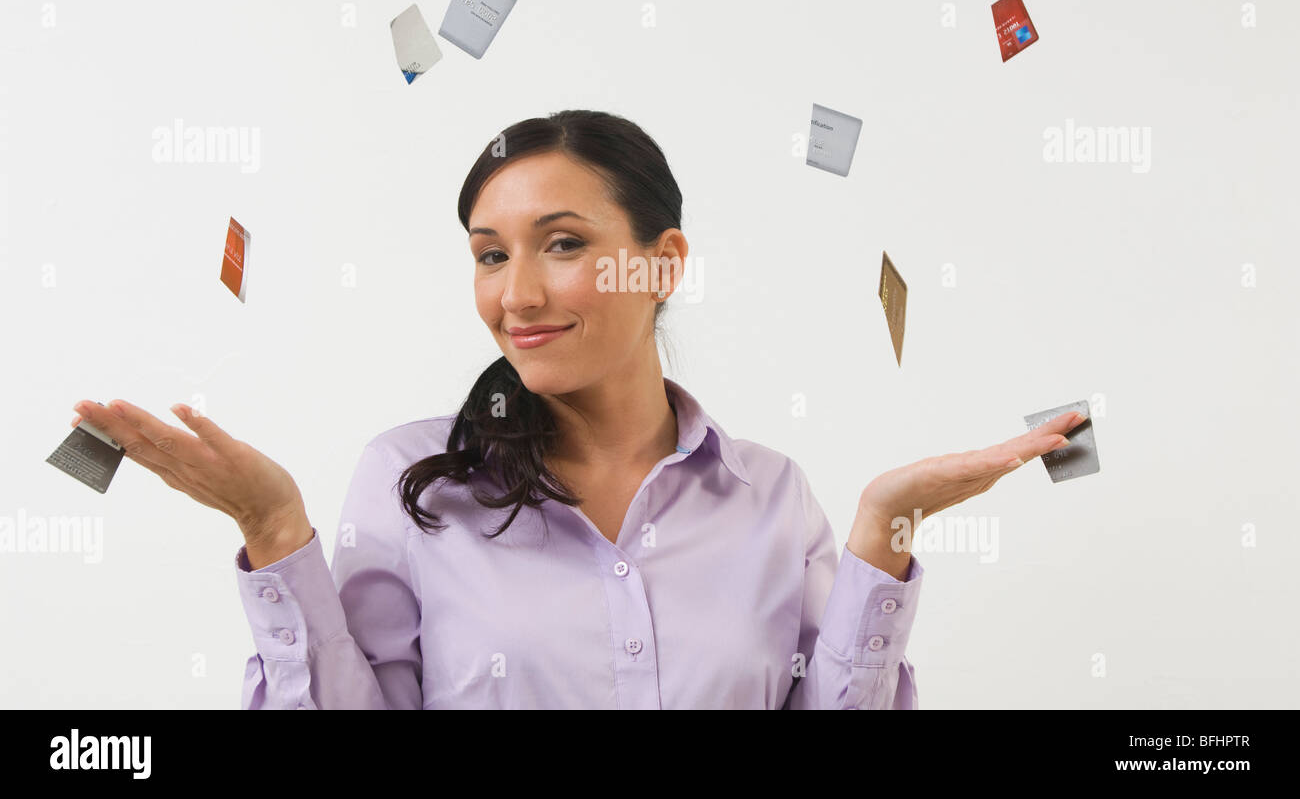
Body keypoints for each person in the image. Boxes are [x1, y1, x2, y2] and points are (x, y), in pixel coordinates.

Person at [69, 109, 1080, 709]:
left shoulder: (772, 496)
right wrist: (273, 530)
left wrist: (879, 537)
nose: (516, 293)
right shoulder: (409, 483)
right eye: (489, 252)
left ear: (663, 262)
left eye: (561, 243)